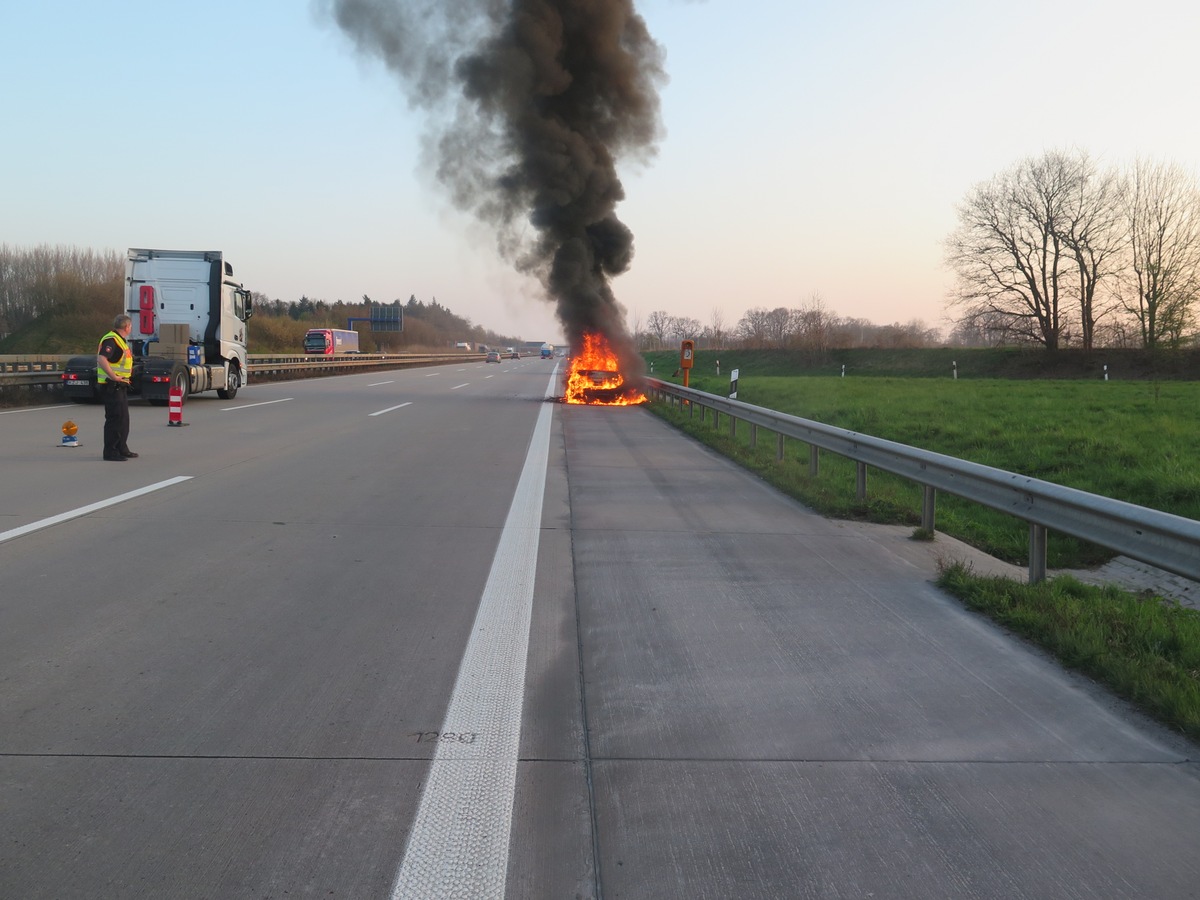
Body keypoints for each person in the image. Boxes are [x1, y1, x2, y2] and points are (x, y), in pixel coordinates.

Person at [96, 314, 138, 461]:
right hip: (112, 385)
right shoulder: (111, 340)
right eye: (131, 326)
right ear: (127, 327)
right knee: (115, 419)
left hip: (121, 385)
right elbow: (102, 358)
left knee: (123, 419)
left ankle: (122, 448)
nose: (131, 328)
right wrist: (113, 376)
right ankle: (110, 451)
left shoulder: (120, 341)